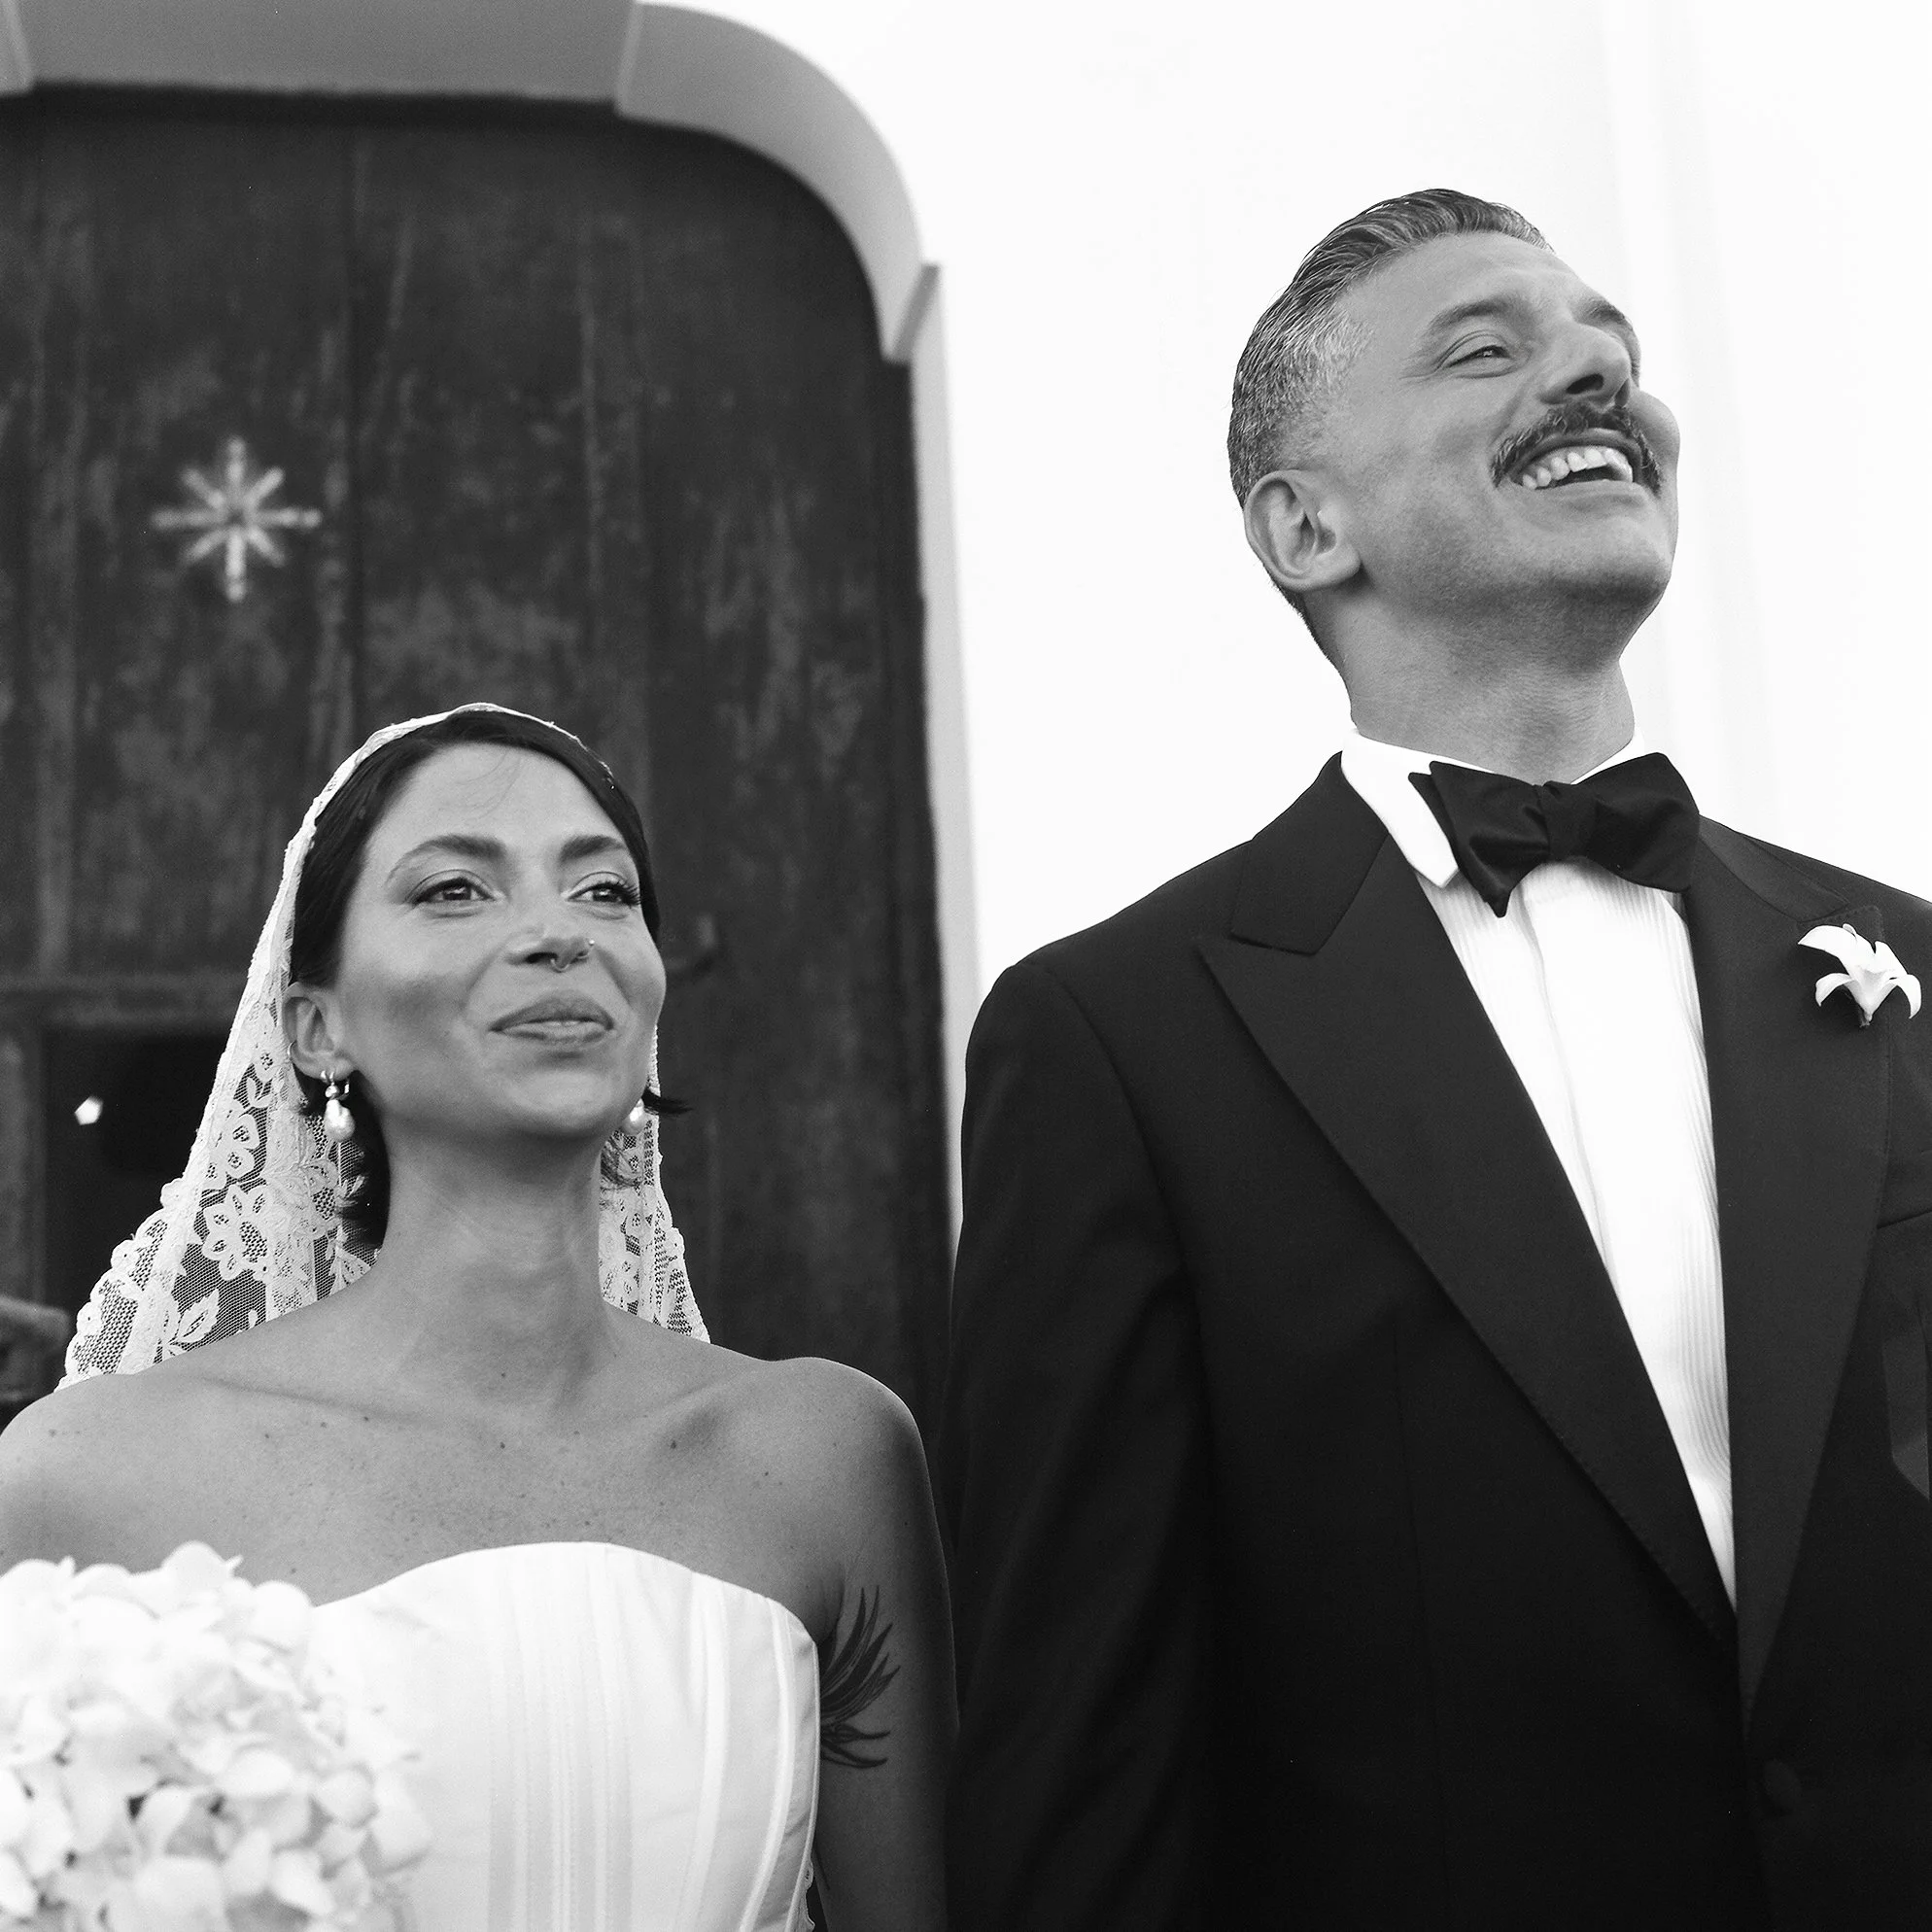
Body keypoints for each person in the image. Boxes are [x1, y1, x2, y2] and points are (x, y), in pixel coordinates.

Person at [941, 189, 1932, 1928]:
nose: (1591, 375)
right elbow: (1083, 1739)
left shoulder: (1898, 965)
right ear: (1304, 525)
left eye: (1609, 350)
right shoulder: (1116, 1038)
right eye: (1490, 348)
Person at [0, 704, 953, 1931]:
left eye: (605, 891)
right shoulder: (83, 1478)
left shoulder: (825, 1456)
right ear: (316, 1024)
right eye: (454, 888)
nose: (557, 932)